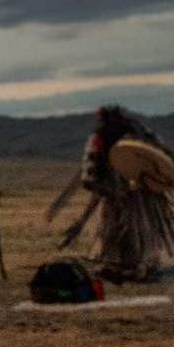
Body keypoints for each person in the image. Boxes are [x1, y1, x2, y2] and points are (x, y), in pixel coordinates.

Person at [50, 106, 174, 282]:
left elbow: (158, 157)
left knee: (131, 228)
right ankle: (127, 265)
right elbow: (91, 169)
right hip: (120, 191)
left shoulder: (109, 136)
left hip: (134, 190)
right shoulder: (136, 132)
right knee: (123, 228)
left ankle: (134, 265)